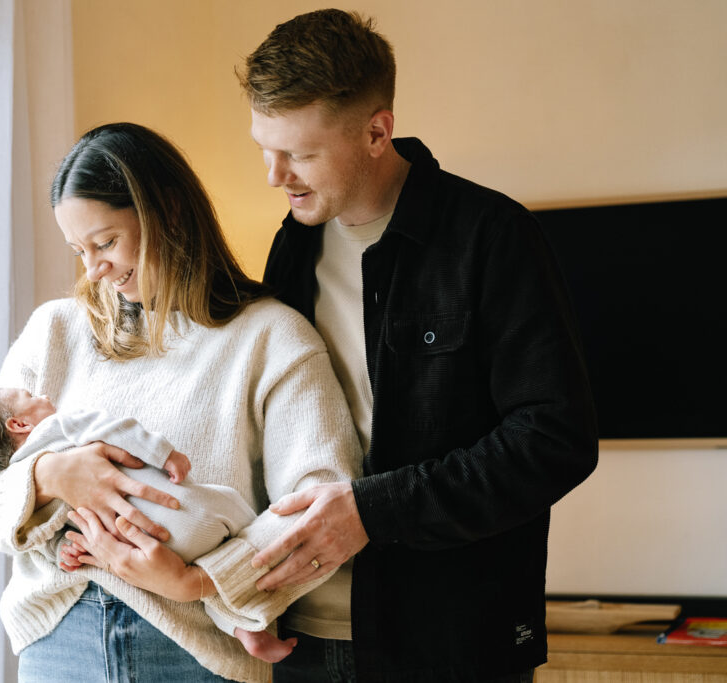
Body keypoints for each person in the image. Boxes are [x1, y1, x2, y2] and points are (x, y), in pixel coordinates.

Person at [236, 9, 599, 682]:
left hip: (449, 644)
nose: (274, 175)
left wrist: (373, 511)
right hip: (303, 638)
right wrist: (248, 594)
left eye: (301, 153)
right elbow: (269, 426)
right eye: (265, 146)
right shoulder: (292, 246)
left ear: (377, 131)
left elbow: (557, 438)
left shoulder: (492, 235)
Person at [0, 122, 363, 683]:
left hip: (195, 653)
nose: (93, 269)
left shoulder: (273, 338)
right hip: (57, 642)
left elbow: (320, 510)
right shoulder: (53, 332)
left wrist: (196, 582)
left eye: (105, 242)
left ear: (168, 212)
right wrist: (51, 475)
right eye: (79, 250)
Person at [0, 385, 298, 662]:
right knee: (233, 521)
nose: (44, 394)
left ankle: (243, 628)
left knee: (201, 591)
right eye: (30, 396)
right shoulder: (60, 426)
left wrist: (67, 554)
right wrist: (164, 454)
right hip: (187, 513)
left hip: (141, 549)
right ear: (19, 424)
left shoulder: (21, 492)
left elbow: (57, 534)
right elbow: (118, 430)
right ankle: (247, 617)